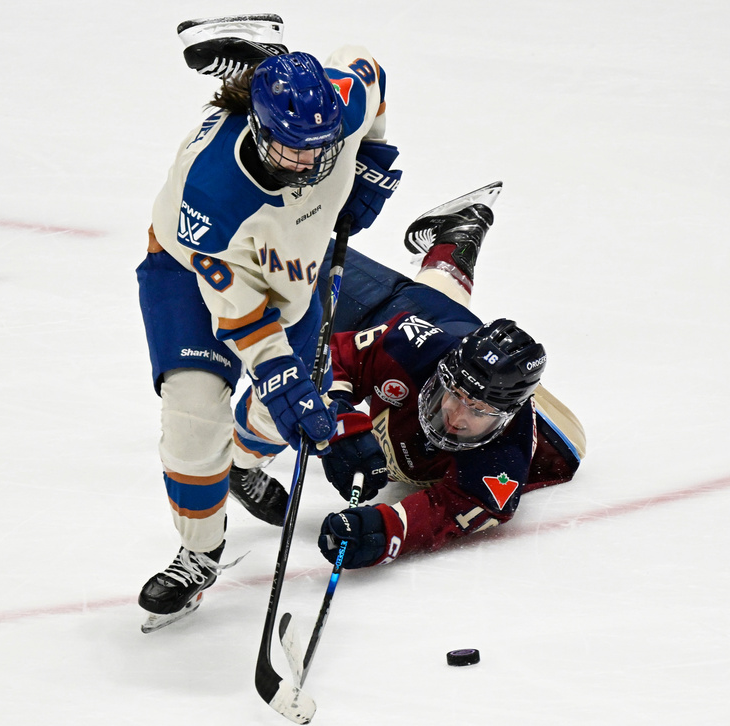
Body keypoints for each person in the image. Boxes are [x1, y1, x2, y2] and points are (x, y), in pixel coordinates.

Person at [135, 43, 402, 631]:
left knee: (278, 420)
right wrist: (282, 379)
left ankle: (244, 464)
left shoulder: (336, 105)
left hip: (291, 277)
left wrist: (374, 156)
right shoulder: (209, 198)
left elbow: (373, 74)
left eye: (321, 148)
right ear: (257, 128)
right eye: (292, 148)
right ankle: (199, 554)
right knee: (196, 416)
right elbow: (244, 318)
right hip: (189, 274)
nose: (310, 163)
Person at [227, 185, 586, 568]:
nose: (457, 417)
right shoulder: (410, 346)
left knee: (440, 311)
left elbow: (448, 514)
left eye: (479, 411)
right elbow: (325, 362)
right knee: (279, 250)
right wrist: (341, 424)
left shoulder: (503, 461)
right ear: (444, 373)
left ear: (505, 417)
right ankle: (238, 463)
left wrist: (381, 531)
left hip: (479, 365)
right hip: (414, 324)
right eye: (456, 395)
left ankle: (457, 233)